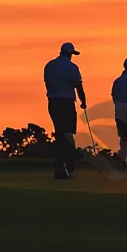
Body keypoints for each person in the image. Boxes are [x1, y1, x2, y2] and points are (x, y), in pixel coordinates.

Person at [44, 42, 86, 179]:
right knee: (68, 135)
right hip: (66, 102)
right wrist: (83, 102)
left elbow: (47, 84)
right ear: (70, 54)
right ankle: (69, 166)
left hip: (53, 102)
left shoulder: (49, 65)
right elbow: (78, 87)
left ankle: (60, 165)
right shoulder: (72, 67)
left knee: (60, 134)